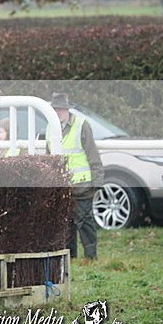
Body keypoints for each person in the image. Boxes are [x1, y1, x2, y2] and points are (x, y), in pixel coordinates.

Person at [45, 93, 104, 260]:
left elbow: (93, 155)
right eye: (55, 109)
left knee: (85, 223)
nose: (58, 112)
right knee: (67, 223)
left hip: (83, 184)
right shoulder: (50, 128)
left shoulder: (81, 125)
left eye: (61, 109)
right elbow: (49, 158)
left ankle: (91, 257)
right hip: (63, 186)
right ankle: (71, 258)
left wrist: (97, 181)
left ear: (67, 110)